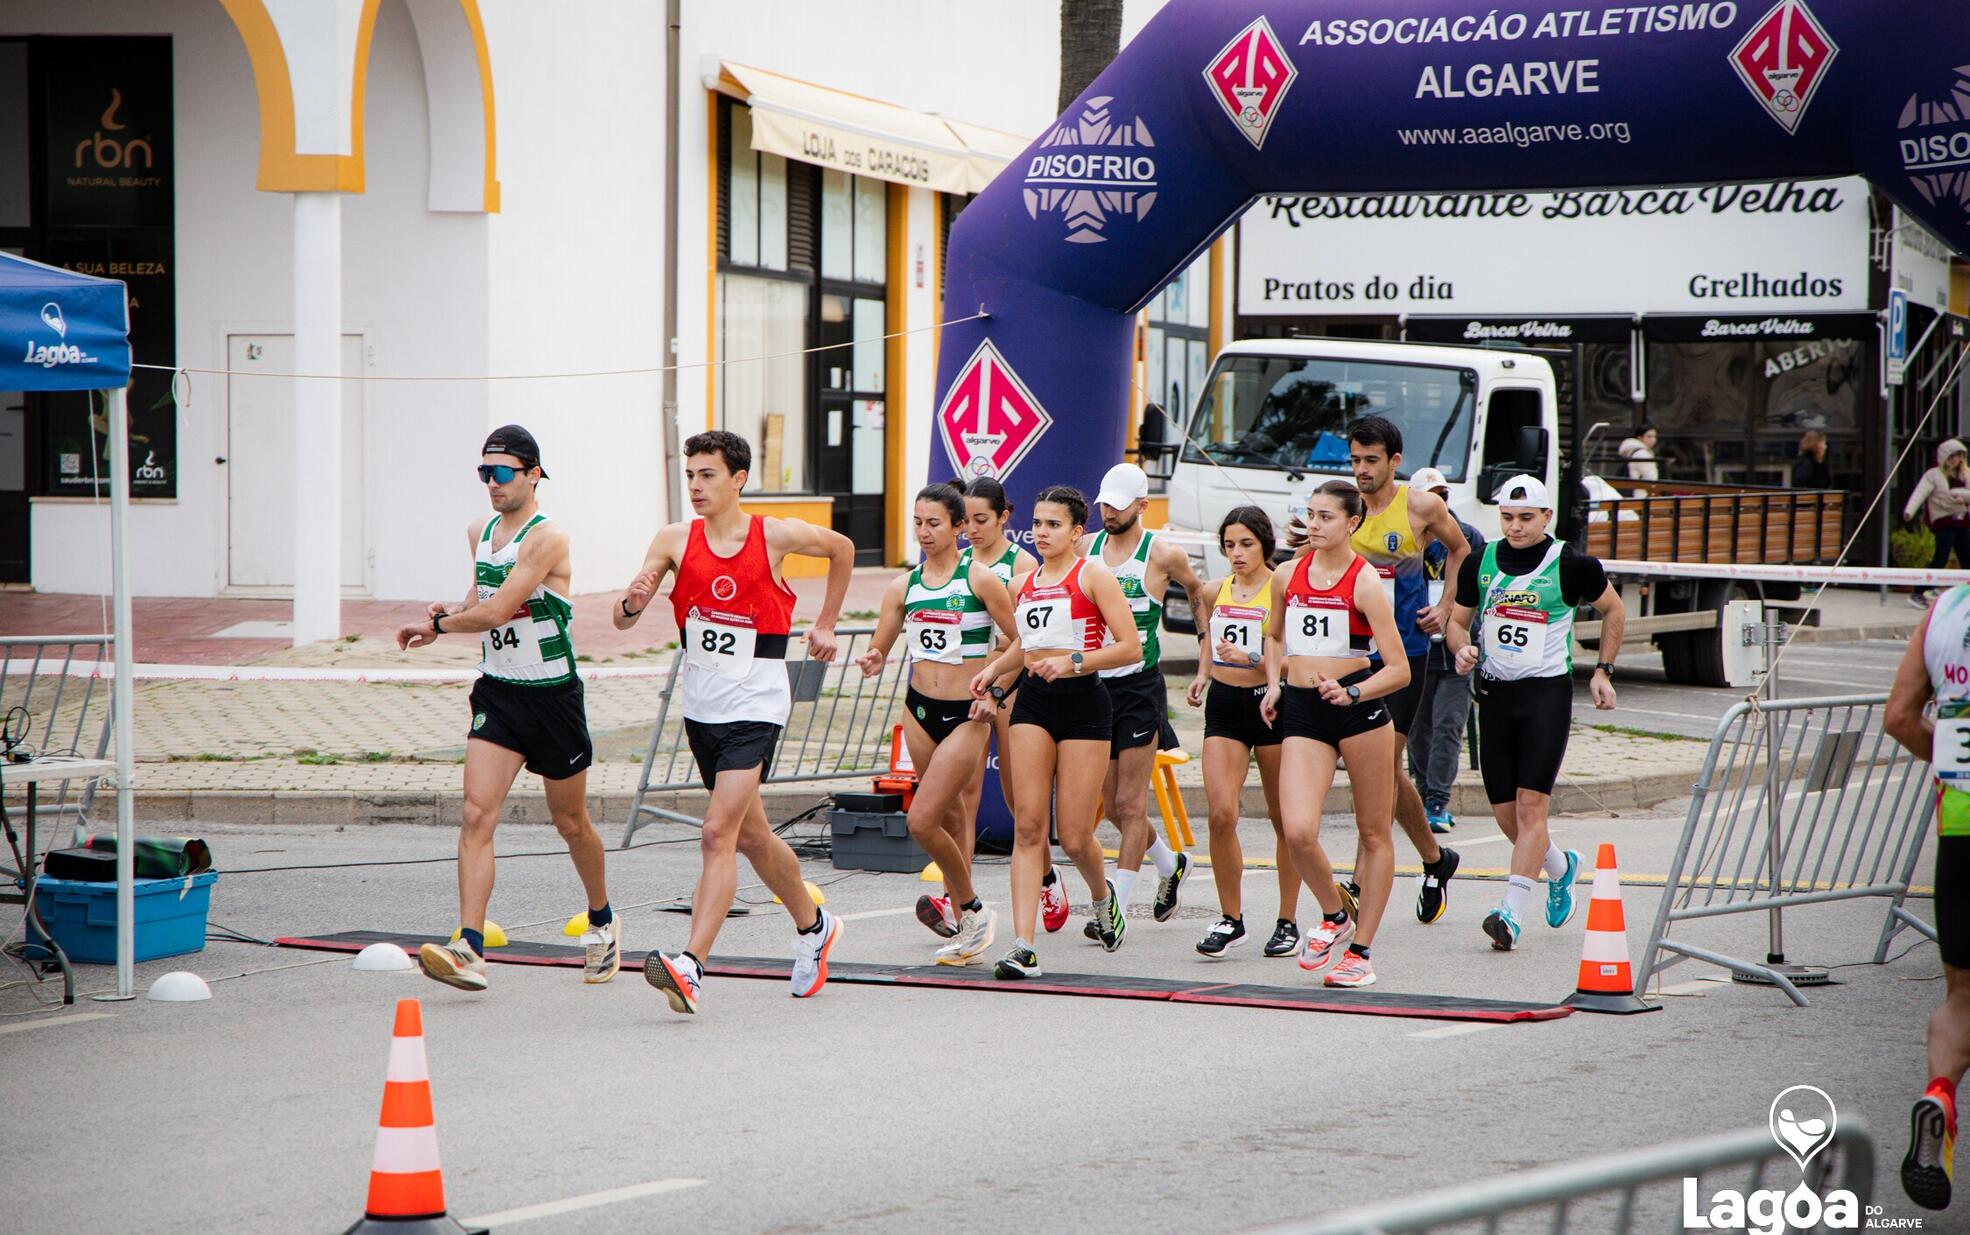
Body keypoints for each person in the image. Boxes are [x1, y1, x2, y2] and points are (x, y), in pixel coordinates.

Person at [615, 430, 855, 1015]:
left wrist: (825, 623)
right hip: (702, 708)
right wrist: (633, 597)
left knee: (716, 834)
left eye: (707, 475)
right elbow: (623, 621)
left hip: (757, 705)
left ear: (738, 479)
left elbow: (844, 547)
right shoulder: (673, 539)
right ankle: (815, 925)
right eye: (690, 475)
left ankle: (691, 965)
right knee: (751, 837)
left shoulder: (774, 535)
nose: (695, 486)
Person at [396, 426, 617, 992]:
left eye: (502, 473)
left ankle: (602, 921)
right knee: (476, 814)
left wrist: (444, 625)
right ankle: (469, 946)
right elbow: (479, 599)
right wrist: (443, 618)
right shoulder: (480, 531)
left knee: (571, 823)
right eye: (483, 473)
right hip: (499, 692)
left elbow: (497, 613)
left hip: (553, 697)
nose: (491, 484)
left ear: (533, 474)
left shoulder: (548, 539)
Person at [1445, 474, 1624, 952]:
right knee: (1507, 816)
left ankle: (1510, 913)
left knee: (1531, 808)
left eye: (1526, 518)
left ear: (1546, 517)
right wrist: (1461, 650)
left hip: (1545, 695)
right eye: (1507, 517)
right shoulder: (1480, 562)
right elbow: (1457, 624)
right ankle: (1561, 868)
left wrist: (1603, 670)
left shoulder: (1570, 563)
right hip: (1497, 696)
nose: (1516, 527)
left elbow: (1614, 610)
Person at [970, 486, 1142, 979]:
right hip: (1034, 705)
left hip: (1086, 705)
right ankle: (1023, 946)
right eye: (1039, 524)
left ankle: (1101, 897)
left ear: (1076, 531)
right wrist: (994, 672)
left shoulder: (1093, 576)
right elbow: (1026, 642)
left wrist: (1074, 662)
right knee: (1028, 827)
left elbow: (1129, 647)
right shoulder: (1023, 583)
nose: (1043, 533)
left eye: (1054, 525)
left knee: (1074, 833)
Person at [855, 484, 1016, 965]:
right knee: (946, 818)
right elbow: (881, 646)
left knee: (920, 819)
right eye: (918, 522)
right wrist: (872, 657)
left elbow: (1022, 642)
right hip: (920, 709)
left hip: (967, 713)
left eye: (935, 523)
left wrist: (996, 691)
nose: (924, 532)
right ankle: (965, 921)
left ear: (959, 527)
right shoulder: (903, 586)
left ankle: (973, 910)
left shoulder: (982, 580)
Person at [1261, 481, 1409, 988]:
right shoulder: (1286, 574)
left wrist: (1353, 694)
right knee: (1298, 830)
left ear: (1352, 523)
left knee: (1373, 834)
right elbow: (1276, 635)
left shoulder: (1365, 583)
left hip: (1357, 710)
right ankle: (1334, 913)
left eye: (1327, 517)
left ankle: (1362, 953)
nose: (1316, 525)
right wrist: (1275, 682)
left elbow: (1398, 669)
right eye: (1311, 515)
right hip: (1303, 709)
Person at [1344, 416, 1467, 925]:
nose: (1361, 471)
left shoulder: (1420, 505)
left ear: (1395, 462)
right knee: (1385, 774)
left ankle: (1352, 888)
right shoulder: (1344, 508)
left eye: (1371, 461)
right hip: (1351, 654)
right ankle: (1437, 859)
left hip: (1404, 657)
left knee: (1377, 770)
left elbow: (1462, 550)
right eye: (1354, 460)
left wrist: (1447, 606)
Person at [1080, 463, 1209, 933]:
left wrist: (1203, 660)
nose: (1108, 512)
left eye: (1117, 504)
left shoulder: (1163, 554)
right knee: (1113, 807)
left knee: (1131, 806)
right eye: (1104, 504)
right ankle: (1171, 863)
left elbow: (1196, 592)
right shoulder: (1087, 549)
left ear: (1141, 505)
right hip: (1095, 687)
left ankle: (1115, 910)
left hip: (1139, 686)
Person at [945, 478, 1070, 935]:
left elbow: (1030, 637)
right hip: (972, 684)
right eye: (965, 522)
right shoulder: (956, 562)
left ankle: (1046, 876)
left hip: (1013, 684)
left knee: (1021, 800)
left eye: (981, 520)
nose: (971, 530)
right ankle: (961, 901)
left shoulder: (1021, 563)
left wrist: (1006, 651)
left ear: (1002, 517)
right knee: (963, 796)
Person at [1886, 585, 1970, 1213]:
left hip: (1961, 825)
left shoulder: (1946, 611)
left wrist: (1949, 764)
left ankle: (1940, 1092)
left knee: (1961, 996)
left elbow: (1898, 717)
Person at [1187, 505, 1303, 958]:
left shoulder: (1283, 589)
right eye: (1229, 545)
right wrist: (1202, 673)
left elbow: (1300, 660)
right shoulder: (1215, 591)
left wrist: (1253, 660)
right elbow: (1211, 642)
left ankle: (1287, 920)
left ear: (1265, 544)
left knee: (1284, 820)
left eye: (1246, 544)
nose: (1236, 553)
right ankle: (1230, 918)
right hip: (1225, 707)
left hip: (1272, 705)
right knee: (1220, 815)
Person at [1405, 466, 1484, 835]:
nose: (1438, 503)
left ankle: (1437, 800)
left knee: (1449, 725)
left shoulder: (1468, 537)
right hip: (1417, 646)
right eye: (1429, 496)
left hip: (1455, 648)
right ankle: (1422, 794)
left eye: (1443, 496)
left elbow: (1483, 591)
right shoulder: (1407, 538)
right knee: (1418, 729)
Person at [1904, 439, 1970, 608]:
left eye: (1960, 456)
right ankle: (1918, 592)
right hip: (1943, 522)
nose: (1956, 460)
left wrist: (1964, 497)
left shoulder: (1966, 475)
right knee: (1940, 558)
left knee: (1967, 558)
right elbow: (1920, 493)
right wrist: (1909, 511)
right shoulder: (1933, 475)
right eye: (1953, 456)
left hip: (1962, 521)